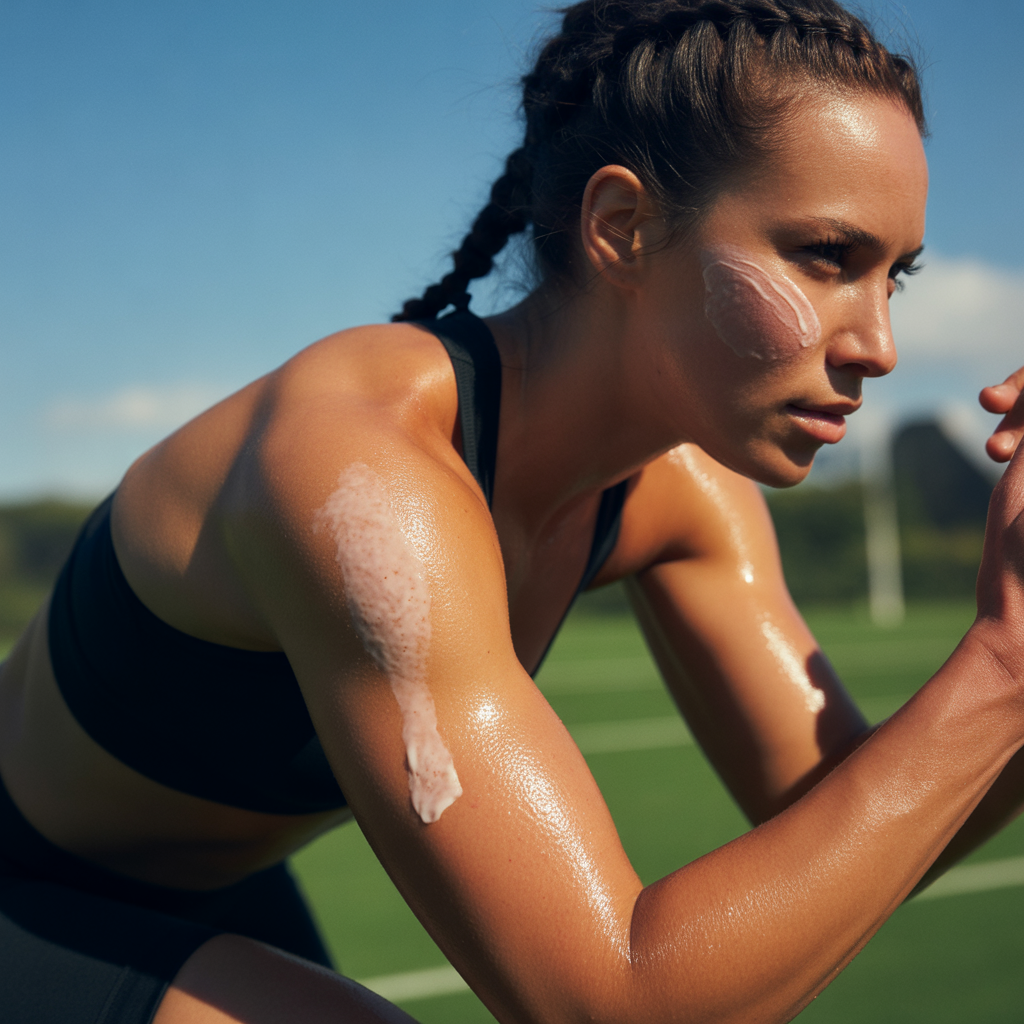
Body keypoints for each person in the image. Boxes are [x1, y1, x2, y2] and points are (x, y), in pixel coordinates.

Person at [3, 0, 1024, 1021]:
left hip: (205, 890)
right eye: (824, 257)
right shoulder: (365, 469)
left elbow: (851, 808)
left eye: (897, 275)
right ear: (622, 227)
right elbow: (606, 1001)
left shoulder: (688, 493)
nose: (879, 345)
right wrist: (1002, 666)